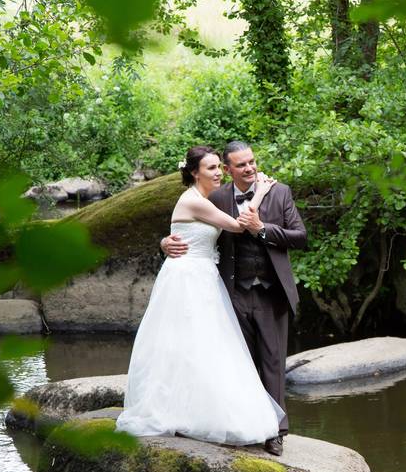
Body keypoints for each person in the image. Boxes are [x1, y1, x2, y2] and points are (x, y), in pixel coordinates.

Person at [116, 145, 285, 449]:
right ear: (194, 172)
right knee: (189, 344)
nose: (218, 172)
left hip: (203, 275)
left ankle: (193, 409)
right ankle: (182, 412)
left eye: (220, 167)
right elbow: (237, 225)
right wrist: (260, 192)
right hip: (188, 278)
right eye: (211, 168)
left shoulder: (205, 199)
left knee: (202, 346)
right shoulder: (194, 200)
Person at [160, 141, 307, 456]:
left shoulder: (279, 192)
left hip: (270, 292)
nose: (250, 168)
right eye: (241, 165)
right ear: (228, 169)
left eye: (252, 162)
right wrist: (165, 242)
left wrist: (264, 229)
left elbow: (300, 236)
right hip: (230, 291)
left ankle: (276, 432)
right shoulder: (214, 195)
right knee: (236, 361)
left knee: (272, 361)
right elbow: (185, 225)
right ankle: (245, 425)